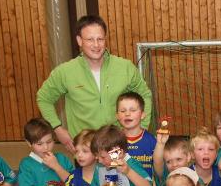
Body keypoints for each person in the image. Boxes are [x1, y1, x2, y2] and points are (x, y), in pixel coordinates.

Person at [36, 15, 152, 153]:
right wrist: (57, 128)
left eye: (100, 39)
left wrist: (141, 128)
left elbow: (145, 94)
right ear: (79, 41)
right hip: (85, 150)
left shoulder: (125, 67)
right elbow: (44, 98)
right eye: (90, 39)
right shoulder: (65, 72)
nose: (96, 45)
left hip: (120, 146)